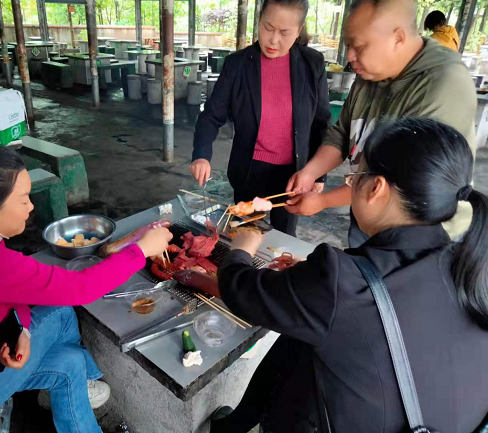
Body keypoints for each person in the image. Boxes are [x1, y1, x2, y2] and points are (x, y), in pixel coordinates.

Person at [209, 118, 488, 432]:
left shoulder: (338, 281)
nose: (352, 185)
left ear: (376, 188)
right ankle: (237, 423)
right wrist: (314, 283)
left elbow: (241, 291)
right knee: (298, 341)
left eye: (355, 176)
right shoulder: (468, 261)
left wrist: (241, 250)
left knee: (298, 356)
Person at [0, 146, 173, 433]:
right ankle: (90, 375)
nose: (31, 207)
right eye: (23, 201)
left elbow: (10, 291)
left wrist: (24, 330)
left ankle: (83, 378)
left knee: (68, 364)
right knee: (60, 311)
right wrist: (142, 249)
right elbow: (79, 289)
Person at [285, 0, 477, 247]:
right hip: (369, 213)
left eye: (359, 46)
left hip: (422, 235)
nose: (350, 57)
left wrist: (322, 201)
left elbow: (398, 180)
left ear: (397, 37)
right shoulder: (370, 73)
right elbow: (342, 134)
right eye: (348, 45)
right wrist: (310, 173)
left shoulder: (442, 85)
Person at [190, 0, 331, 236]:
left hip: (294, 175)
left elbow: (322, 123)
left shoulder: (311, 63)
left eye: (284, 32)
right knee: (244, 233)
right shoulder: (238, 64)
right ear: (259, 20)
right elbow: (211, 116)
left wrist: (318, 173)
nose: (273, 40)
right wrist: (202, 155)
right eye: (267, 27)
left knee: (283, 239)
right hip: (249, 169)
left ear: (299, 29)